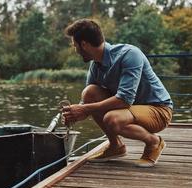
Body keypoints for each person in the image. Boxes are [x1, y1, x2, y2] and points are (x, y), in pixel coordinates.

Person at [62, 19, 173, 167]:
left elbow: (124, 100)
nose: (75, 50)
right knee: (89, 93)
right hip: (130, 109)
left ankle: (154, 142)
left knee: (112, 119)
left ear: (84, 44)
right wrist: (75, 114)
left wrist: (85, 109)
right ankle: (116, 146)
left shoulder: (130, 54)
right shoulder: (95, 64)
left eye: (75, 45)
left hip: (158, 110)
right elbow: (88, 102)